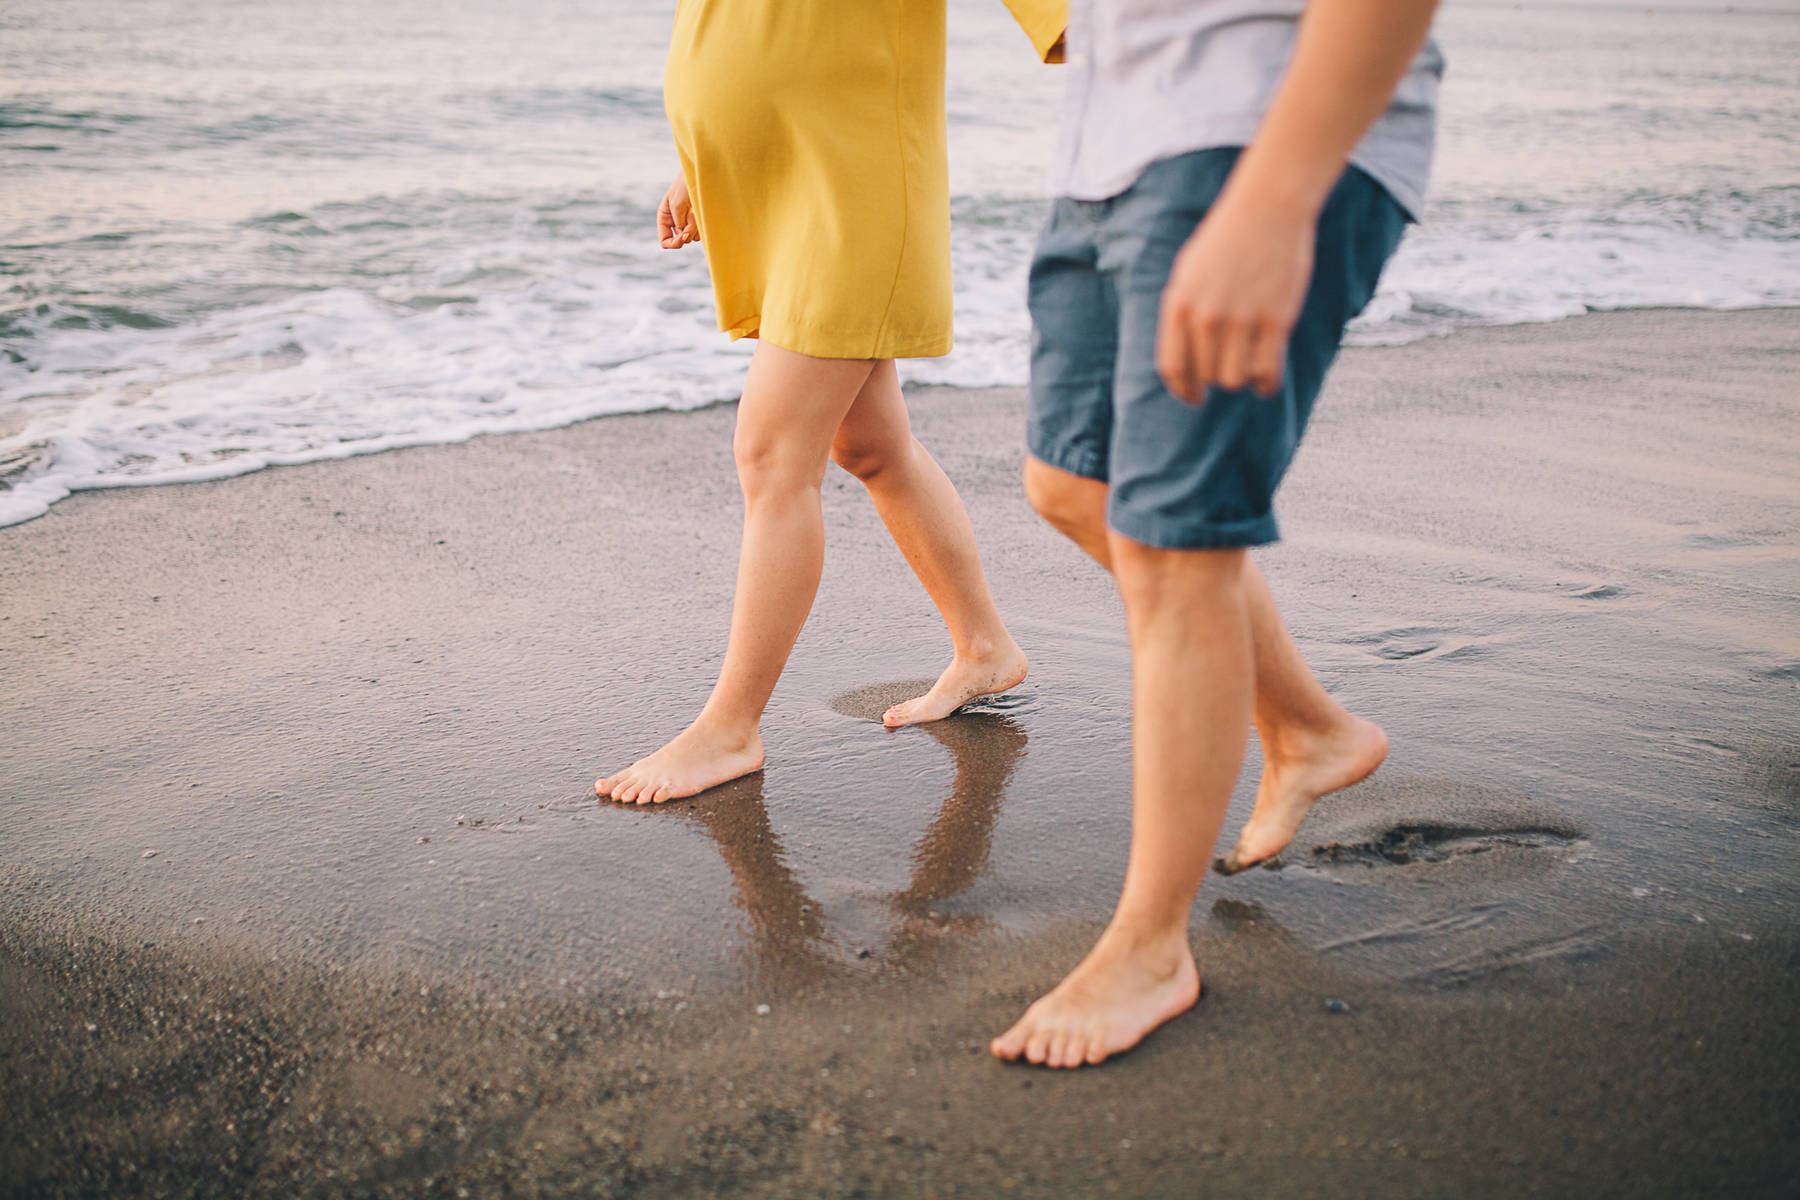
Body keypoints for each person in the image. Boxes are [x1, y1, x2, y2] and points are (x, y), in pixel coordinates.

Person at [989, 0, 1444, 1067]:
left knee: (1173, 542)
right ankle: (1309, 730)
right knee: (1071, 485)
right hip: (1112, 142)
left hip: (1254, 125)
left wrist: (1277, 197)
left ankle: (1150, 949)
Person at [596, 2, 1065, 806]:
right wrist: (701, 159)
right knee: (870, 446)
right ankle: (985, 646)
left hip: (855, 178)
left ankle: (730, 728)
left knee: (773, 452)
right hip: (786, 174)